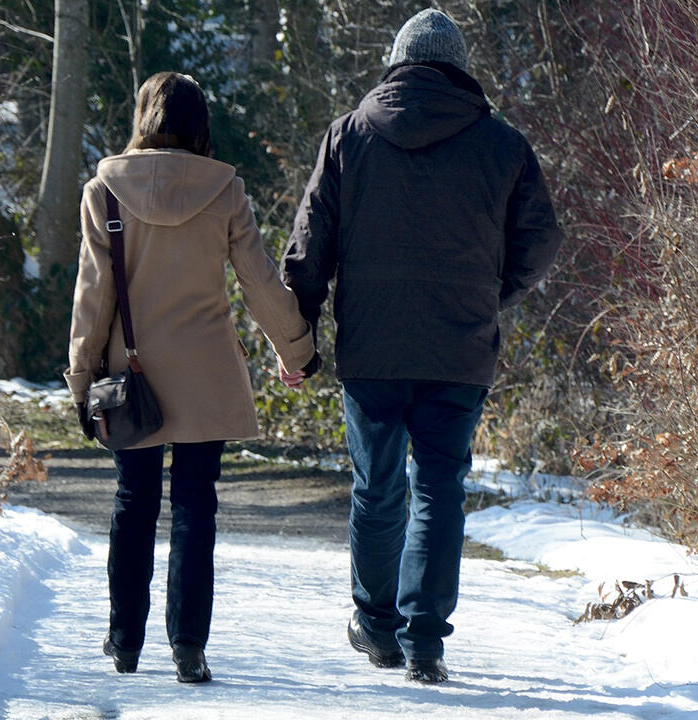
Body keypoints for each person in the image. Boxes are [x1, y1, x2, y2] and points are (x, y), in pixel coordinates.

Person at [281, 9, 563, 684]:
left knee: (376, 487)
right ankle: (426, 642)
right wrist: (493, 290)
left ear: (397, 64)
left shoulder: (349, 136)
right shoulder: (502, 144)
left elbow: (308, 245)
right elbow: (541, 239)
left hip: (372, 347)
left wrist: (299, 333)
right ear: (460, 69)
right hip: (458, 346)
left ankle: (378, 627)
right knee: (439, 490)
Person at [65, 72, 319, 684]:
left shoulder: (105, 191)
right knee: (195, 508)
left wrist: (80, 379)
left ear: (143, 120)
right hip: (207, 376)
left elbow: (93, 300)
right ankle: (189, 649)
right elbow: (259, 282)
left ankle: (125, 640)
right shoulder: (225, 191)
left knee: (133, 502)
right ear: (201, 125)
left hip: (134, 378)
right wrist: (298, 350)